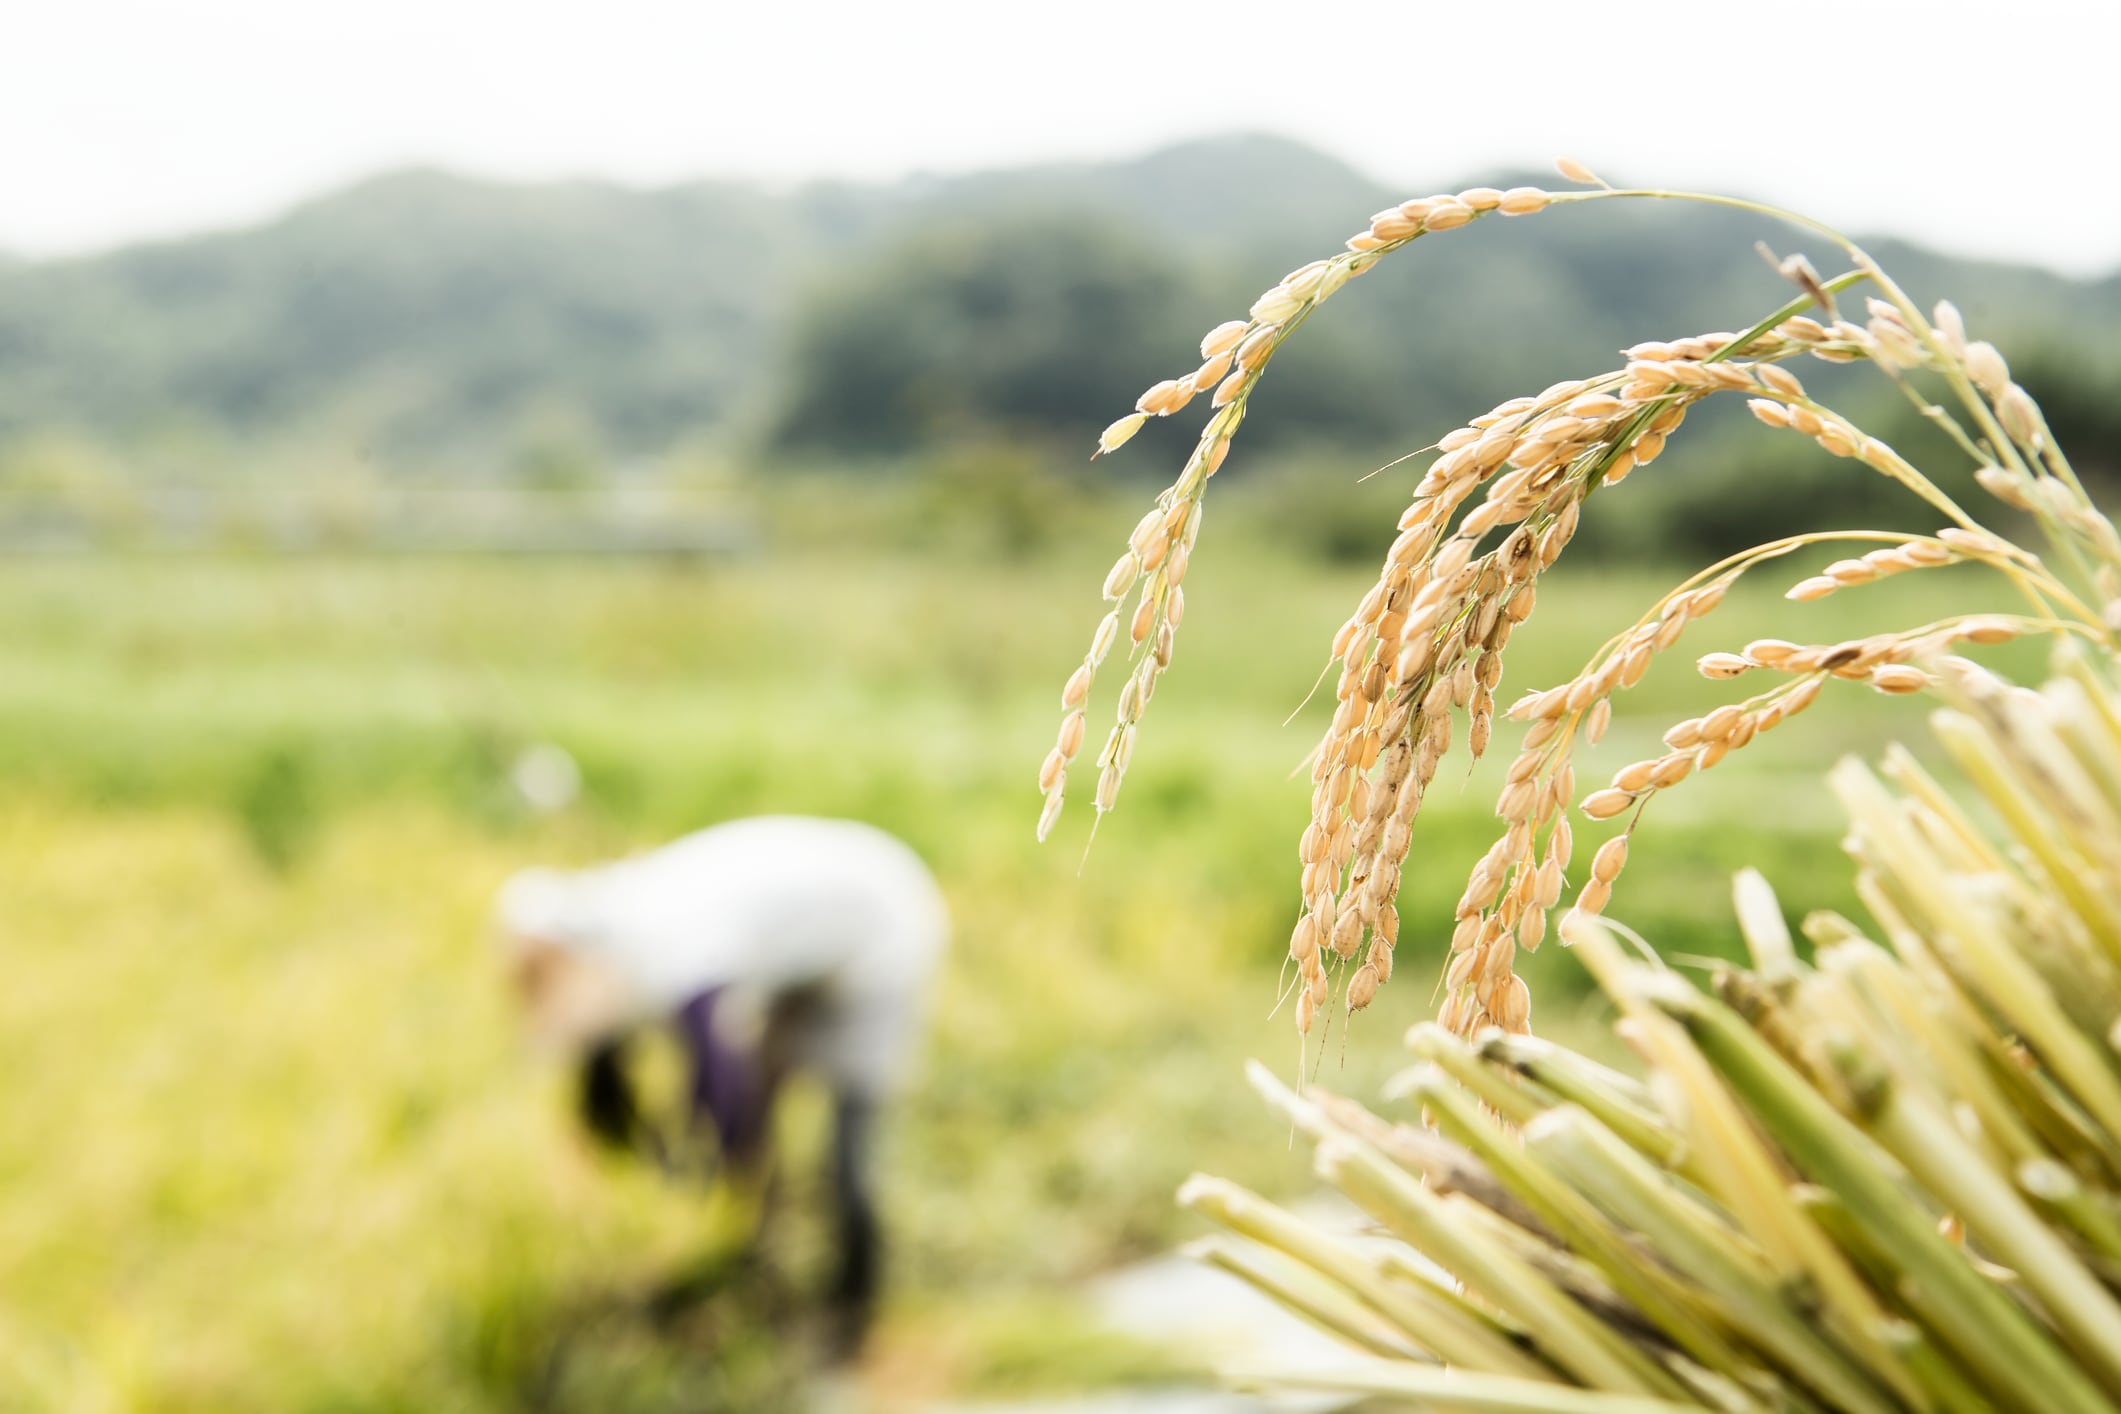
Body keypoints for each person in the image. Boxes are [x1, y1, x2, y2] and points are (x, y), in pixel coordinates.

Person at [494, 816, 949, 1345]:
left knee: (847, 1145)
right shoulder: (609, 925)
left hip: (881, 932)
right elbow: (608, 1074)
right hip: (802, 950)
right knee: (763, 1105)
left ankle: (852, 1314)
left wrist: (702, 1166)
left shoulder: (674, 950)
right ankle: (758, 1261)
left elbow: (719, 1090)